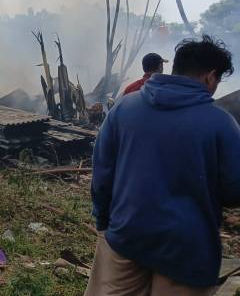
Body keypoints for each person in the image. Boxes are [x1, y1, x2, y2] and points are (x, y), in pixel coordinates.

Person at [86, 35, 240, 295]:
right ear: (210, 77)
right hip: (187, 250)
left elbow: (102, 171)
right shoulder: (221, 124)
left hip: (127, 234)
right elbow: (235, 191)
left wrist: (103, 219)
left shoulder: (125, 106)